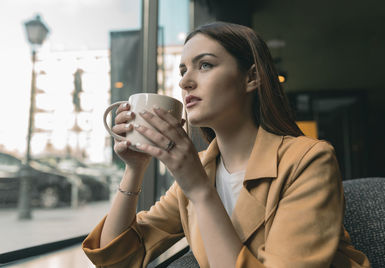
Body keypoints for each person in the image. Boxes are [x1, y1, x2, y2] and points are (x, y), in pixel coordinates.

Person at [82, 22, 370, 268]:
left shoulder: (308, 160)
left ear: (252, 77)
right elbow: (115, 259)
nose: (185, 82)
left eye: (205, 65)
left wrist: (199, 190)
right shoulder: (202, 167)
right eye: (183, 70)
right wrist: (135, 167)